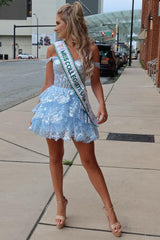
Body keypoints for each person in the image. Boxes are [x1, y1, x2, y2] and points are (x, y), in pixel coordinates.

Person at [29, 2, 121, 237]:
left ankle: (109, 210)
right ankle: (61, 202)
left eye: (58, 23)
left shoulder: (90, 49)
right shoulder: (53, 49)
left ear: (70, 24)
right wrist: (41, 105)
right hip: (54, 107)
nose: (55, 27)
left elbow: (95, 82)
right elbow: (49, 83)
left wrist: (102, 103)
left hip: (78, 107)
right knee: (55, 157)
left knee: (89, 161)